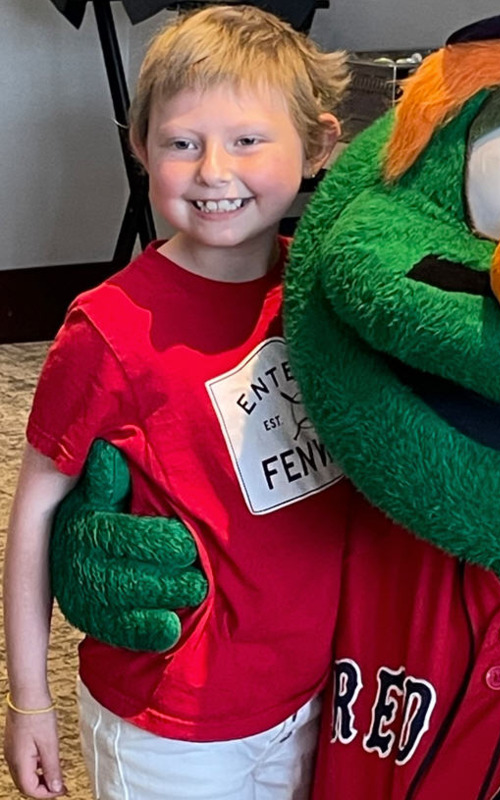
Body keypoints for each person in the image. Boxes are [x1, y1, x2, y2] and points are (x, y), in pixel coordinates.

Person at [3, 6, 350, 799]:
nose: (214, 171)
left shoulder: (325, 298)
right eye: (182, 143)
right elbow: (33, 516)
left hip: (315, 695)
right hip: (171, 725)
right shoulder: (107, 327)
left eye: (248, 140)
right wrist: (27, 699)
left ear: (319, 144)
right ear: (141, 147)